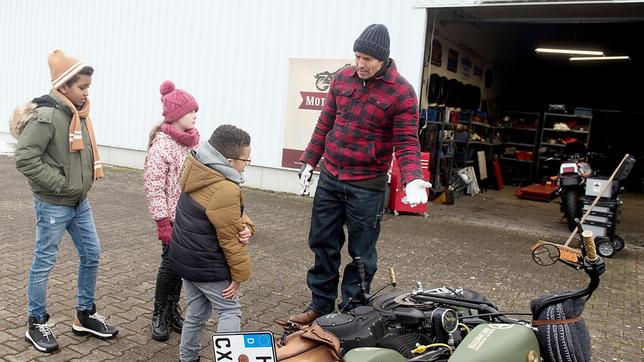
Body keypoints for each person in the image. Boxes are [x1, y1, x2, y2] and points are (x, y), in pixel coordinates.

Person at [288, 24, 431, 325]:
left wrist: (412, 176)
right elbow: (324, 124)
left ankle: (352, 313)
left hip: (367, 186)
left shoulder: (402, 93)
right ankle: (321, 306)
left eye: (367, 58)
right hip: (331, 176)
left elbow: (406, 141)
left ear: (383, 59)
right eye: (357, 56)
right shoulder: (342, 79)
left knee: (362, 254)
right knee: (323, 244)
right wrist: (309, 161)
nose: (360, 64)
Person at [11, 49, 118, 353]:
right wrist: (60, 184)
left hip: (79, 202)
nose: (86, 92)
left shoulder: (77, 113)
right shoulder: (47, 116)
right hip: (54, 203)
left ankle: (84, 315)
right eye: (82, 87)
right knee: (44, 262)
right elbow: (25, 158)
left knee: (92, 254)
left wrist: (76, 187)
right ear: (63, 86)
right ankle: (36, 322)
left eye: (87, 87)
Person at [168, 124, 255, 362]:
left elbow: (225, 214)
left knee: (197, 312)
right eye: (246, 159)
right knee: (229, 311)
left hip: (185, 260)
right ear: (229, 160)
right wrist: (238, 277)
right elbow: (231, 241)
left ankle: (188, 358)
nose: (247, 163)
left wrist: (247, 226)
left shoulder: (197, 169)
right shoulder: (226, 188)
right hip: (208, 265)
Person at [144, 80, 201, 341]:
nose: (195, 115)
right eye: (191, 111)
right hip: (172, 220)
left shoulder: (194, 143)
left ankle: (172, 308)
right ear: (177, 115)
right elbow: (154, 187)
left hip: (190, 218)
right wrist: (162, 222)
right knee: (168, 266)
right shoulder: (162, 146)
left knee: (180, 267)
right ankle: (158, 313)